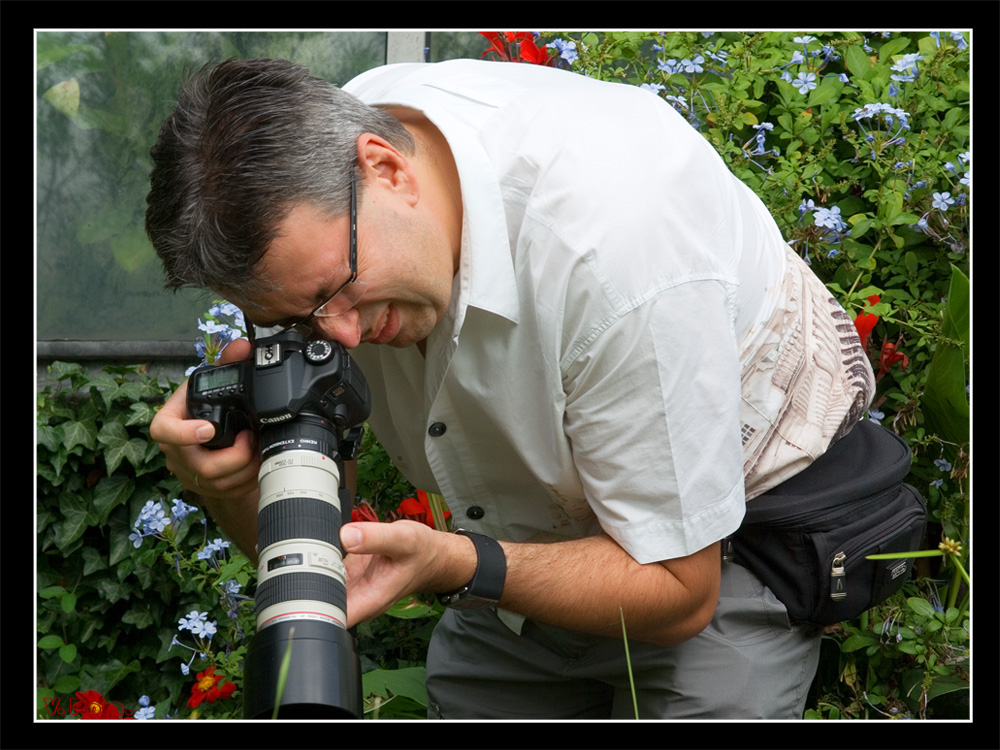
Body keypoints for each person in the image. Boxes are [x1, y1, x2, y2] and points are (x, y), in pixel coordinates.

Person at [146, 57, 874, 719]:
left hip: (723, 546)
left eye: (337, 291)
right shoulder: (327, 190)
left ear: (388, 169)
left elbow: (679, 588)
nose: (336, 337)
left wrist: (459, 563)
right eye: (293, 319)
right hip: (512, 551)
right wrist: (234, 486)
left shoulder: (619, 246)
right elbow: (339, 565)